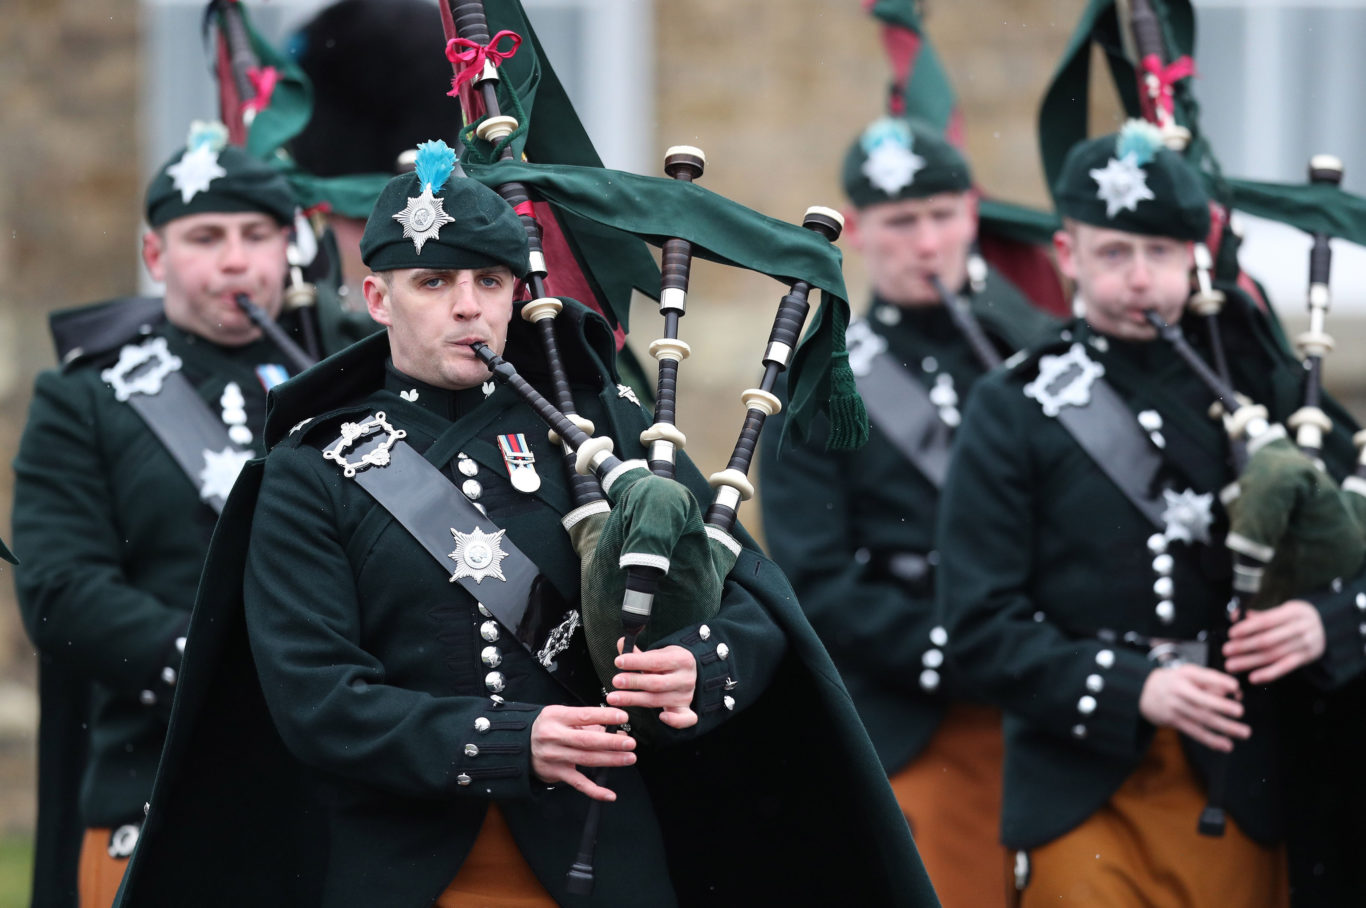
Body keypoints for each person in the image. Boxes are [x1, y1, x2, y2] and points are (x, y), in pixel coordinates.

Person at [111, 142, 938, 907]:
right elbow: (318, 699)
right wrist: (515, 740)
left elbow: (756, 611)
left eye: (489, 282)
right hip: (402, 872)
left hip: (609, 864)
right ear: (377, 298)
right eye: (433, 284)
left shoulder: (606, 427)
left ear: (519, 292)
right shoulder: (311, 470)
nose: (466, 307)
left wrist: (696, 667)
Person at [934, 119, 1366, 905]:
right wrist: (1137, 686)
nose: (1138, 279)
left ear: (1196, 251)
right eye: (1113, 253)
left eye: (1159, 253)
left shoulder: (1259, 379)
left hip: (1246, 782)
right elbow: (978, 626)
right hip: (1078, 789)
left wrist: (1324, 624)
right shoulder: (1010, 407)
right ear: (1068, 256)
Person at [11, 122, 371, 908]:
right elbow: (61, 593)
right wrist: (231, 679)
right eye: (205, 237)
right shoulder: (87, 400)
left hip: (345, 792)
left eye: (257, 235)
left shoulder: (354, 377)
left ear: (291, 247)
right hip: (161, 783)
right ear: (155, 255)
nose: (236, 260)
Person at [758, 116, 1054, 907]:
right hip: (913, 714)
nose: (926, 243)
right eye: (899, 222)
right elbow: (813, 579)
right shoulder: (821, 384)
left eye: (940, 216)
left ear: (970, 214)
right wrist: (975, 655)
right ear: (857, 229)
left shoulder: (1040, 349)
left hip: (1053, 709)